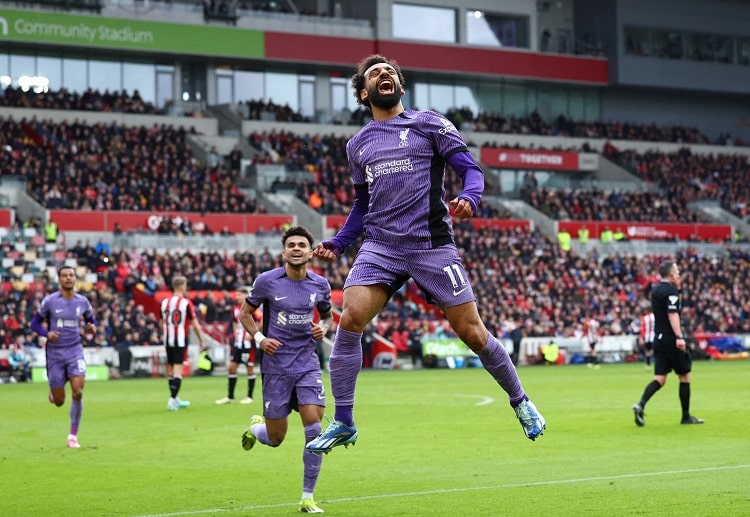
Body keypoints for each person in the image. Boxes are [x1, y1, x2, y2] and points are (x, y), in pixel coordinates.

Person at [306, 54, 545, 456]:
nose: (385, 74)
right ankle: (344, 421)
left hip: (431, 244)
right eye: (375, 74)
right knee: (350, 318)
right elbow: (362, 206)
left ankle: (521, 401)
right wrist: (340, 242)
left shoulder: (429, 123)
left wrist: (470, 196)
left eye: (391, 71)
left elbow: (472, 170)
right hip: (380, 246)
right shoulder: (358, 145)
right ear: (364, 93)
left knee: (472, 333)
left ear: (400, 84)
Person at [239, 226, 333, 514]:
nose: (296, 248)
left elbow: (328, 317)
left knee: (314, 429)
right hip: (276, 365)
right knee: (277, 437)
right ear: (284, 252)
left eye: (301, 245)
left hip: (307, 363)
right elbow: (245, 313)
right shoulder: (267, 282)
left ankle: (307, 497)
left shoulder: (320, 285)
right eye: (291, 244)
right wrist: (260, 338)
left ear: (310, 252)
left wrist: (323, 328)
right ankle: (257, 428)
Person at [29, 266, 97, 448]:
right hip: (55, 354)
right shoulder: (50, 301)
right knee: (60, 401)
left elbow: (91, 320)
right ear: (59, 279)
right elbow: (34, 323)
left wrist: (92, 327)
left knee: (78, 391)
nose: (68, 278)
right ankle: (54, 394)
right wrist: (46, 333)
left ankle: (73, 435)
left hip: (75, 350)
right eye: (64, 275)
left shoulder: (82, 301)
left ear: (75, 278)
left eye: (71, 275)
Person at [632, 261, 704, 427]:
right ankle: (686, 416)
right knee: (684, 375)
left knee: (660, 378)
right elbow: (672, 315)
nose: (679, 274)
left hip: (658, 338)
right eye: (677, 271)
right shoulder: (670, 291)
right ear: (671, 275)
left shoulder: (656, 289)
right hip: (672, 339)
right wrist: (679, 337)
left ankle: (640, 404)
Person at [159, 275, 206, 411]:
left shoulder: (164, 302)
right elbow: (195, 324)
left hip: (168, 339)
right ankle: (172, 399)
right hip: (179, 339)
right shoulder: (185, 303)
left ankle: (175, 397)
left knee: (170, 368)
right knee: (178, 369)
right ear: (182, 286)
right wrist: (201, 339)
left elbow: (162, 322)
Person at [216, 287, 258, 405]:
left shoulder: (253, 307)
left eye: (239, 295)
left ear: (245, 295)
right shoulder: (235, 309)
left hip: (248, 344)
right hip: (238, 343)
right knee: (232, 367)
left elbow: (262, 320)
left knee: (249, 368)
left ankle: (249, 396)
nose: (237, 297)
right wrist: (235, 332)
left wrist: (254, 334)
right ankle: (230, 397)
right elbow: (235, 321)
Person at [638, 304, 655, 369]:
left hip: (648, 336)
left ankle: (648, 365)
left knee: (648, 351)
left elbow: (643, 328)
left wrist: (641, 337)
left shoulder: (645, 318)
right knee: (654, 350)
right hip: (655, 336)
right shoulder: (655, 316)